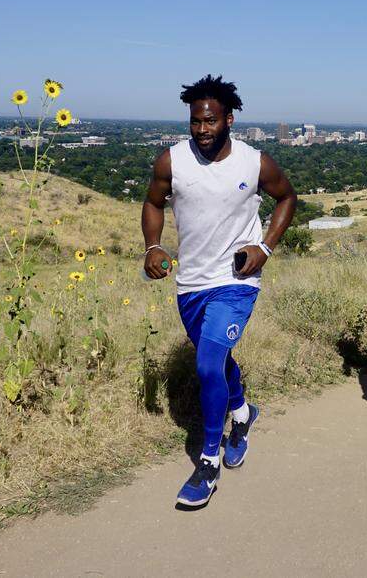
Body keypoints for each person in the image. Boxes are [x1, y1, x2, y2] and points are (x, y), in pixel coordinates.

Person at [141, 75, 296, 507]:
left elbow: (287, 197)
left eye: (210, 121)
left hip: (236, 281)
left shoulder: (254, 162)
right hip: (191, 284)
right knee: (217, 359)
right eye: (195, 122)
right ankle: (242, 414)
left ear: (229, 119)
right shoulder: (170, 162)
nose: (202, 130)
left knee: (208, 363)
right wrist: (153, 245)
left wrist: (265, 246)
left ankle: (208, 463)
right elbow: (153, 202)